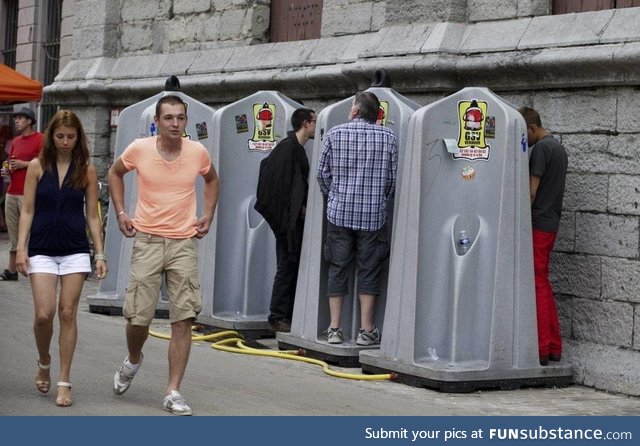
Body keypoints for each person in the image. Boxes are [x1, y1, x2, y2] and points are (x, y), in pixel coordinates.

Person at [108, 95, 219, 416]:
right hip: (148, 240)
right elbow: (116, 173)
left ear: (186, 121)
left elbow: (212, 180)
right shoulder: (139, 149)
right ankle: (133, 358)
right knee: (137, 319)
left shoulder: (197, 152)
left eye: (180, 118)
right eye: (168, 118)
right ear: (157, 121)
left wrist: (207, 214)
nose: (174, 123)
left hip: (184, 242)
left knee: (183, 318)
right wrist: (120, 212)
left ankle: (173, 391)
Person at [15, 110, 107, 407]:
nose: (66, 142)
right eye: (60, 136)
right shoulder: (36, 166)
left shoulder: (87, 170)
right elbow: (27, 209)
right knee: (44, 314)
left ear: (78, 137)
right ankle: (44, 360)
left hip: (75, 249)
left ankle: (64, 380)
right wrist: (20, 248)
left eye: (71, 136)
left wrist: (100, 253)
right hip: (41, 247)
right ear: (50, 137)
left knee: (67, 313)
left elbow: (92, 215)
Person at [317, 92, 397, 346]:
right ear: (376, 115)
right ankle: (366, 330)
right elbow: (391, 181)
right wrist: (377, 199)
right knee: (369, 270)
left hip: (339, 214)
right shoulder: (388, 138)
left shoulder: (334, 134)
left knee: (338, 268)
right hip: (372, 216)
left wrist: (335, 196)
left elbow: (322, 174)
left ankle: (334, 329)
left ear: (354, 111)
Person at [255, 108, 316, 333]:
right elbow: (277, 183)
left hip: (289, 219)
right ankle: (278, 316)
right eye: (314, 121)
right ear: (306, 123)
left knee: (290, 264)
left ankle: (285, 315)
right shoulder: (288, 148)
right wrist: (292, 211)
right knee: (287, 265)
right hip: (286, 220)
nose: (316, 126)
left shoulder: (295, 148)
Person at [519, 106, 568, 366]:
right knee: (543, 282)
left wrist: (517, 220)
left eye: (524, 134)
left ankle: (541, 347)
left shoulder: (540, 150)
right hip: (551, 223)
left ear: (533, 128)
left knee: (537, 284)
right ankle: (553, 346)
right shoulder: (558, 148)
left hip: (537, 223)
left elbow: (531, 192)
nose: (524, 140)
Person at [1, 108, 43, 280]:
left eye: (20, 118)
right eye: (16, 118)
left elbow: (45, 162)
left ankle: (37, 267)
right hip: (12, 190)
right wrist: (6, 168)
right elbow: (11, 161)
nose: (16, 121)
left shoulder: (40, 139)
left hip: (29, 192)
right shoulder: (16, 141)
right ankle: (11, 270)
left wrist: (24, 164)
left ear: (29, 121)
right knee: (13, 231)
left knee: (34, 230)